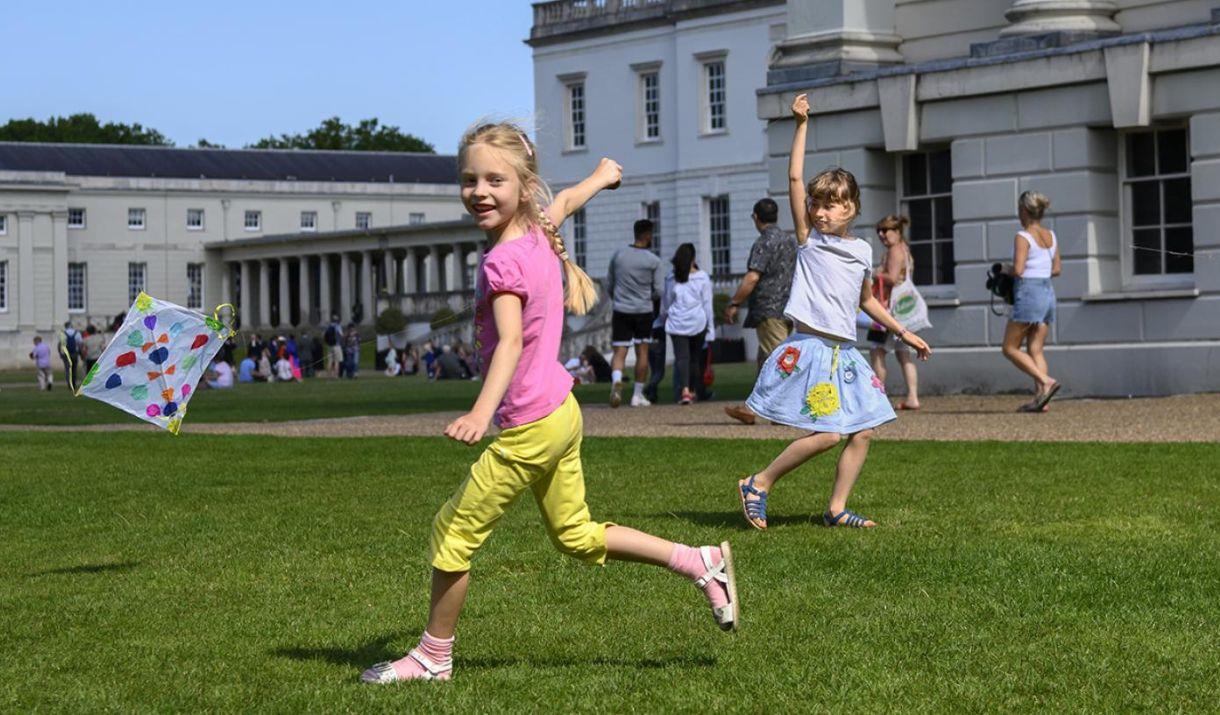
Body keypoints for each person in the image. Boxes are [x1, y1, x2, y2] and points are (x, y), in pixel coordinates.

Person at [360, 122, 738, 685]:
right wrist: (602, 177)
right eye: (470, 180)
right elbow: (565, 200)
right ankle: (699, 561)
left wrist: (480, 414)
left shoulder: (500, 262)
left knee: (452, 534)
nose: (480, 191)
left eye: (494, 179)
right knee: (577, 536)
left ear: (522, 184)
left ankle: (433, 656)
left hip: (532, 425)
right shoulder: (538, 229)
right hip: (561, 413)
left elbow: (509, 342)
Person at [736, 93, 930, 532]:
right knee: (827, 434)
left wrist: (903, 332)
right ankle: (758, 483)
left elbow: (866, 301)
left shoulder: (861, 250)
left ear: (851, 209)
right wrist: (801, 124)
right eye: (816, 204)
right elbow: (793, 177)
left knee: (863, 430)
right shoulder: (808, 241)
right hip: (811, 348)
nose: (820, 212)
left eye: (831, 205)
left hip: (846, 355)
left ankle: (836, 509)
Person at [723, 198, 797, 425]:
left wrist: (734, 302)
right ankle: (752, 408)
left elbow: (753, 276)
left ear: (756, 217)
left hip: (769, 307)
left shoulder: (764, 242)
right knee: (765, 359)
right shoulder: (790, 240)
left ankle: (784, 411)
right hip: (787, 306)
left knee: (778, 360)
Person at [1003, 190, 1062, 413]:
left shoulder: (1023, 236)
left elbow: (1018, 270)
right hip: (1047, 293)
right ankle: (1041, 399)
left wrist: (1003, 269)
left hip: (1029, 293)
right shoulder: (1051, 236)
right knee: (1036, 348)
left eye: (1019, 209)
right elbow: (1056, 269)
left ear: (1025, 211)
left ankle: (1045, 381)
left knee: (1009, 348)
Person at [605, 219, 663, 407]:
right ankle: (637, 395)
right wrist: (647, 297)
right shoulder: (653, 261)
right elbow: (659, 291)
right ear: (647, 235)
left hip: (621, 309)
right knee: (642, 352)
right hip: (643, 310)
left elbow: (609, 284)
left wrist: (618, 297)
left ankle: (616, 381)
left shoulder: (618, 256)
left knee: (620, 351)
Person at [868, 214, 922, 411]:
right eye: (879, 231)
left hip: (888, 310)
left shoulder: (894, 251)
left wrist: (874, 273)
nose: (882, 235)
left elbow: (891, 278)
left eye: (886, 230)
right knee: (903, 354)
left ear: (897, 232)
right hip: (901, 310)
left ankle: (877, 396)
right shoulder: (904, 249)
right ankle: (912, 397)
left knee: (877, 351)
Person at [658, 243, 714, 405]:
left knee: (682, 358)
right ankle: (694, 390)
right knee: (694, 359)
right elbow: (707, 304)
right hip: (697, 322)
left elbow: (666, 303)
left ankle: (684, 391)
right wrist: (710, 328)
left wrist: (662, 320)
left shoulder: (671, 278)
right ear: (693, 259)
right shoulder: (702, 277)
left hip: (677, 323)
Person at [57, 321, 82, 388]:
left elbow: (60, 344)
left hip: (66, 354)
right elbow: (80, 344)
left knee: (68, 369)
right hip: (74, 353)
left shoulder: (62, 333)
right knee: (74, 369)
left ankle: (69, 384)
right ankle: (74, 383)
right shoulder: (77, 333)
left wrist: (60, 353)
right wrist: (80, 353)